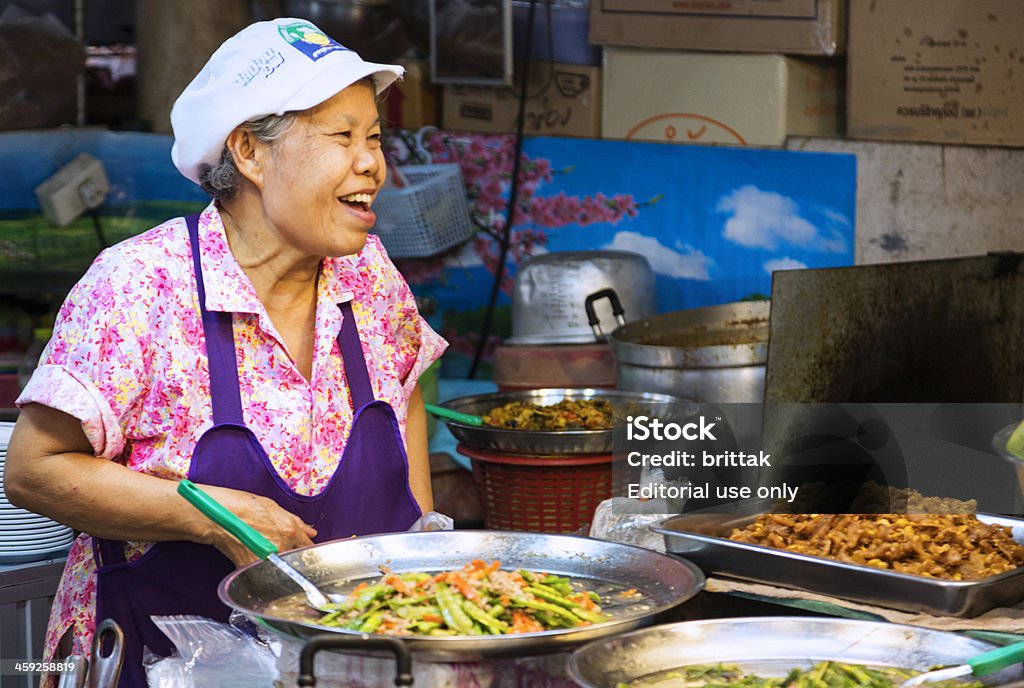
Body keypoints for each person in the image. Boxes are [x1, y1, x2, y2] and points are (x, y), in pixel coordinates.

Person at [4, 17, 446, 687]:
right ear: (250, 151)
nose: (373, 163)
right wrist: (208, 515)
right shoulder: (140, 287)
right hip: (149, 660)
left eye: (375, 137)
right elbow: (34, 471)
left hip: (351, 661)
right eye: (343, 137)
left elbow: (403, 397)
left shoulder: (370, 275)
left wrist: (419, 555)